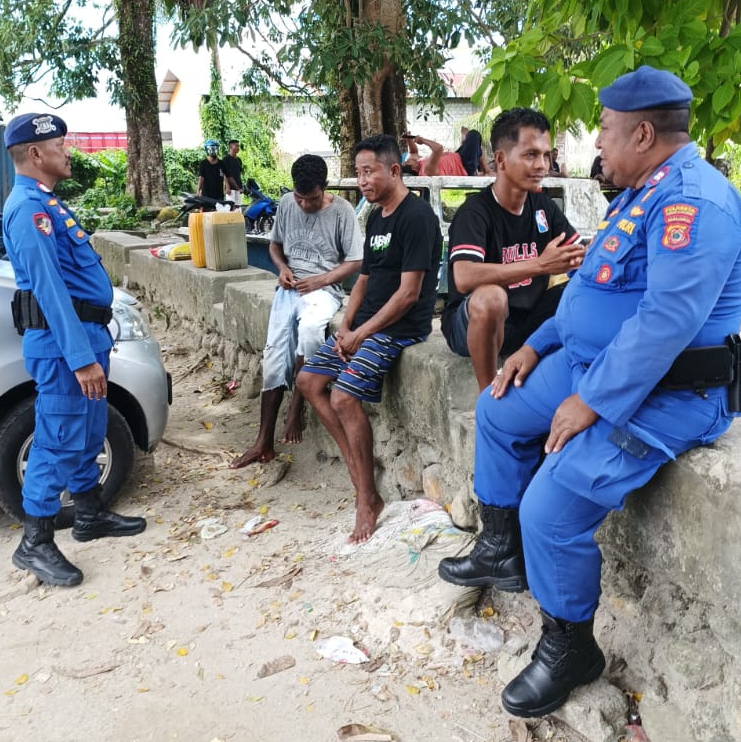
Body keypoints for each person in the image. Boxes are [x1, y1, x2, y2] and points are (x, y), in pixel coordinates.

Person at [438, 64, 741, 718]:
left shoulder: (693, 203)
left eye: (605, 131)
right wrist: (533, 345)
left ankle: (570, 647)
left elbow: (666, 322)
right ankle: (501, 552)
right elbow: (586, 298)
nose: (595, 145)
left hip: (659, 396)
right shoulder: (639, 194)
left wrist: (594, 402)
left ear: (642, 133)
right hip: (585, 366)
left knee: (549, 509)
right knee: (495, 410)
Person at [2, 114, 146, 587]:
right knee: (57, 437)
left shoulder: (46, 202)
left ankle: (88, 514)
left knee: (88, 429)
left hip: (85, 339)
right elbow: (48, 290)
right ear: (37, 154)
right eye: (60, 144)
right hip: (66, 348)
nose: (69, 150)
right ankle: (35, 543)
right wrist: (81, 357)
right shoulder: (28, 209)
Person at [297, 135, 442, 544]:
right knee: (308, 381)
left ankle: (366, 497)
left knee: (343, 397)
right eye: (358, 172)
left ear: (394, 170)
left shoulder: (417, 218)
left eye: (369, 171)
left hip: (398, 330)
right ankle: (358, 470)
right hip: (364, 325)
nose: (361, 180)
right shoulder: (376, 217)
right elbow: (364, 279)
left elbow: (408, 294)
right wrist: (345, 324)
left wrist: (362, 332)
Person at [230, 154, 363, 468]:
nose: (304, 204)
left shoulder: (342, 212)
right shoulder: (288, 203)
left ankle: (297, 409)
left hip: (324, 290)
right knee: (275, 352)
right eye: (300, 197)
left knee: (309, 332)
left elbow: (356, 261)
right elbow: (275, 246)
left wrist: (322, 279)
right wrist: (282, 268)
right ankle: (263, 442)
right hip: (289, 289)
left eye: (312, 198)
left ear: (324, 187)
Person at [442, 108, 586, 390]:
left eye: (546, 155)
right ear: (500, 159)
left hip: (526, 319)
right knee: (491, 298)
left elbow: (579, 255)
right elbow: (464, 277)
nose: (542, 165)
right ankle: (488, 396)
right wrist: (540, 265)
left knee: (583, 288)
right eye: (531, 155)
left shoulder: (542, 206)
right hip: (474, 324)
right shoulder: (475, 213)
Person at [196, 140, 225, 205]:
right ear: (207, 150)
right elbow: (201, 178)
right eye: (212, 149)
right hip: (206, 195)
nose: (214, 151)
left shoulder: (221, 163)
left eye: (215, 149)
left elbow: (225, 175)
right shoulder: (203, 163)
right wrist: (198, 191)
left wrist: (227, 187)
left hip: (219, 195)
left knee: (220, 213)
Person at [220, 139, 243, 207]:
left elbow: (239, 174)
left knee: (238, 207)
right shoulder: (225, 159)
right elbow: (224, 174)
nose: (238, 148)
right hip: (230, 188)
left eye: (238, 146)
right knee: (230, 207)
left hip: (238, 187)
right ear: (231, 147)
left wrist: (240, 187)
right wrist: (227, 186)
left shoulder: (239, 160)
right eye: (236, 146)